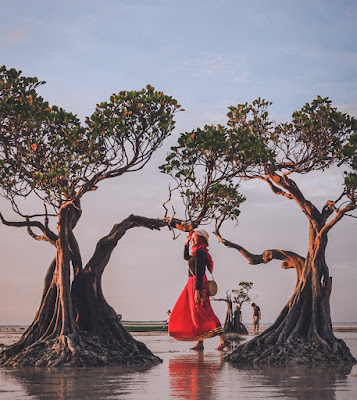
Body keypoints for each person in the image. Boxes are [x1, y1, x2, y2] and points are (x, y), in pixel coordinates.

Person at [168, 228, 230, 351]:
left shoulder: (200, 253)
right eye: (192, 237)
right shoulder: (197, 252)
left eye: (195, 237)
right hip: (192, 284)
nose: (193, 239)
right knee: (195, 313)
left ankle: (224, 339)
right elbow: (186, 257)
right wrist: (186, 244)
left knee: (205, 311)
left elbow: (200, 272)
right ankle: (199, 342)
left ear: (201, 239)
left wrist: (197, 291)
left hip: (197, 284)